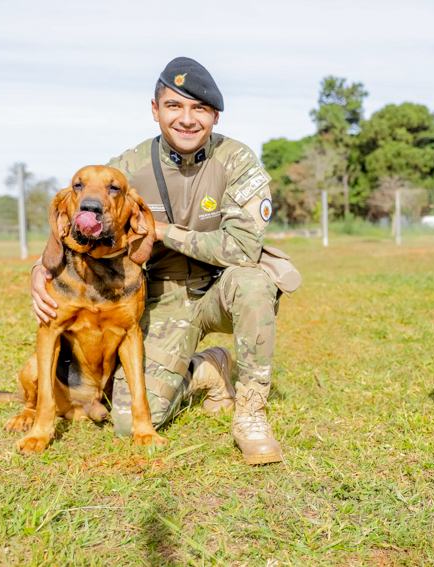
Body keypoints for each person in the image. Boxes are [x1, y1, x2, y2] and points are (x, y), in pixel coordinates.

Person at [31, 57, 296, 465]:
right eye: (174, 106)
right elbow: (85, 214)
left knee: (254, 280)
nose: (187, 119)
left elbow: (242, 248)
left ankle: (251, 412)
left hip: (222, 289)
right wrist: (40, 267)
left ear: (215, 115)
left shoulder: (237, 160)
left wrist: (161, 230)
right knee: (126, 421)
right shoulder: (126, 169)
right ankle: (206, 370)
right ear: (155, 110)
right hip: (161, 299)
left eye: (199, 108)